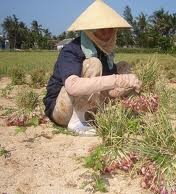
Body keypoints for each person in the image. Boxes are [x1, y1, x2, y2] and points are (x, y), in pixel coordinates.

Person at [43, 0, 141, 136]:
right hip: (63, 110)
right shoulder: (72, 50)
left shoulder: (105, 52)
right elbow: (73, 86)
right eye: (101, 29)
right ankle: (77, 122)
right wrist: (117, 80)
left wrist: (127, 86)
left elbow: (106, 89)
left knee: (123, 66)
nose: (107, 33)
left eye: (110, 28)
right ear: (90, 31)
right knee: (93, 63)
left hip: (91, 108)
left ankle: (128, 109)